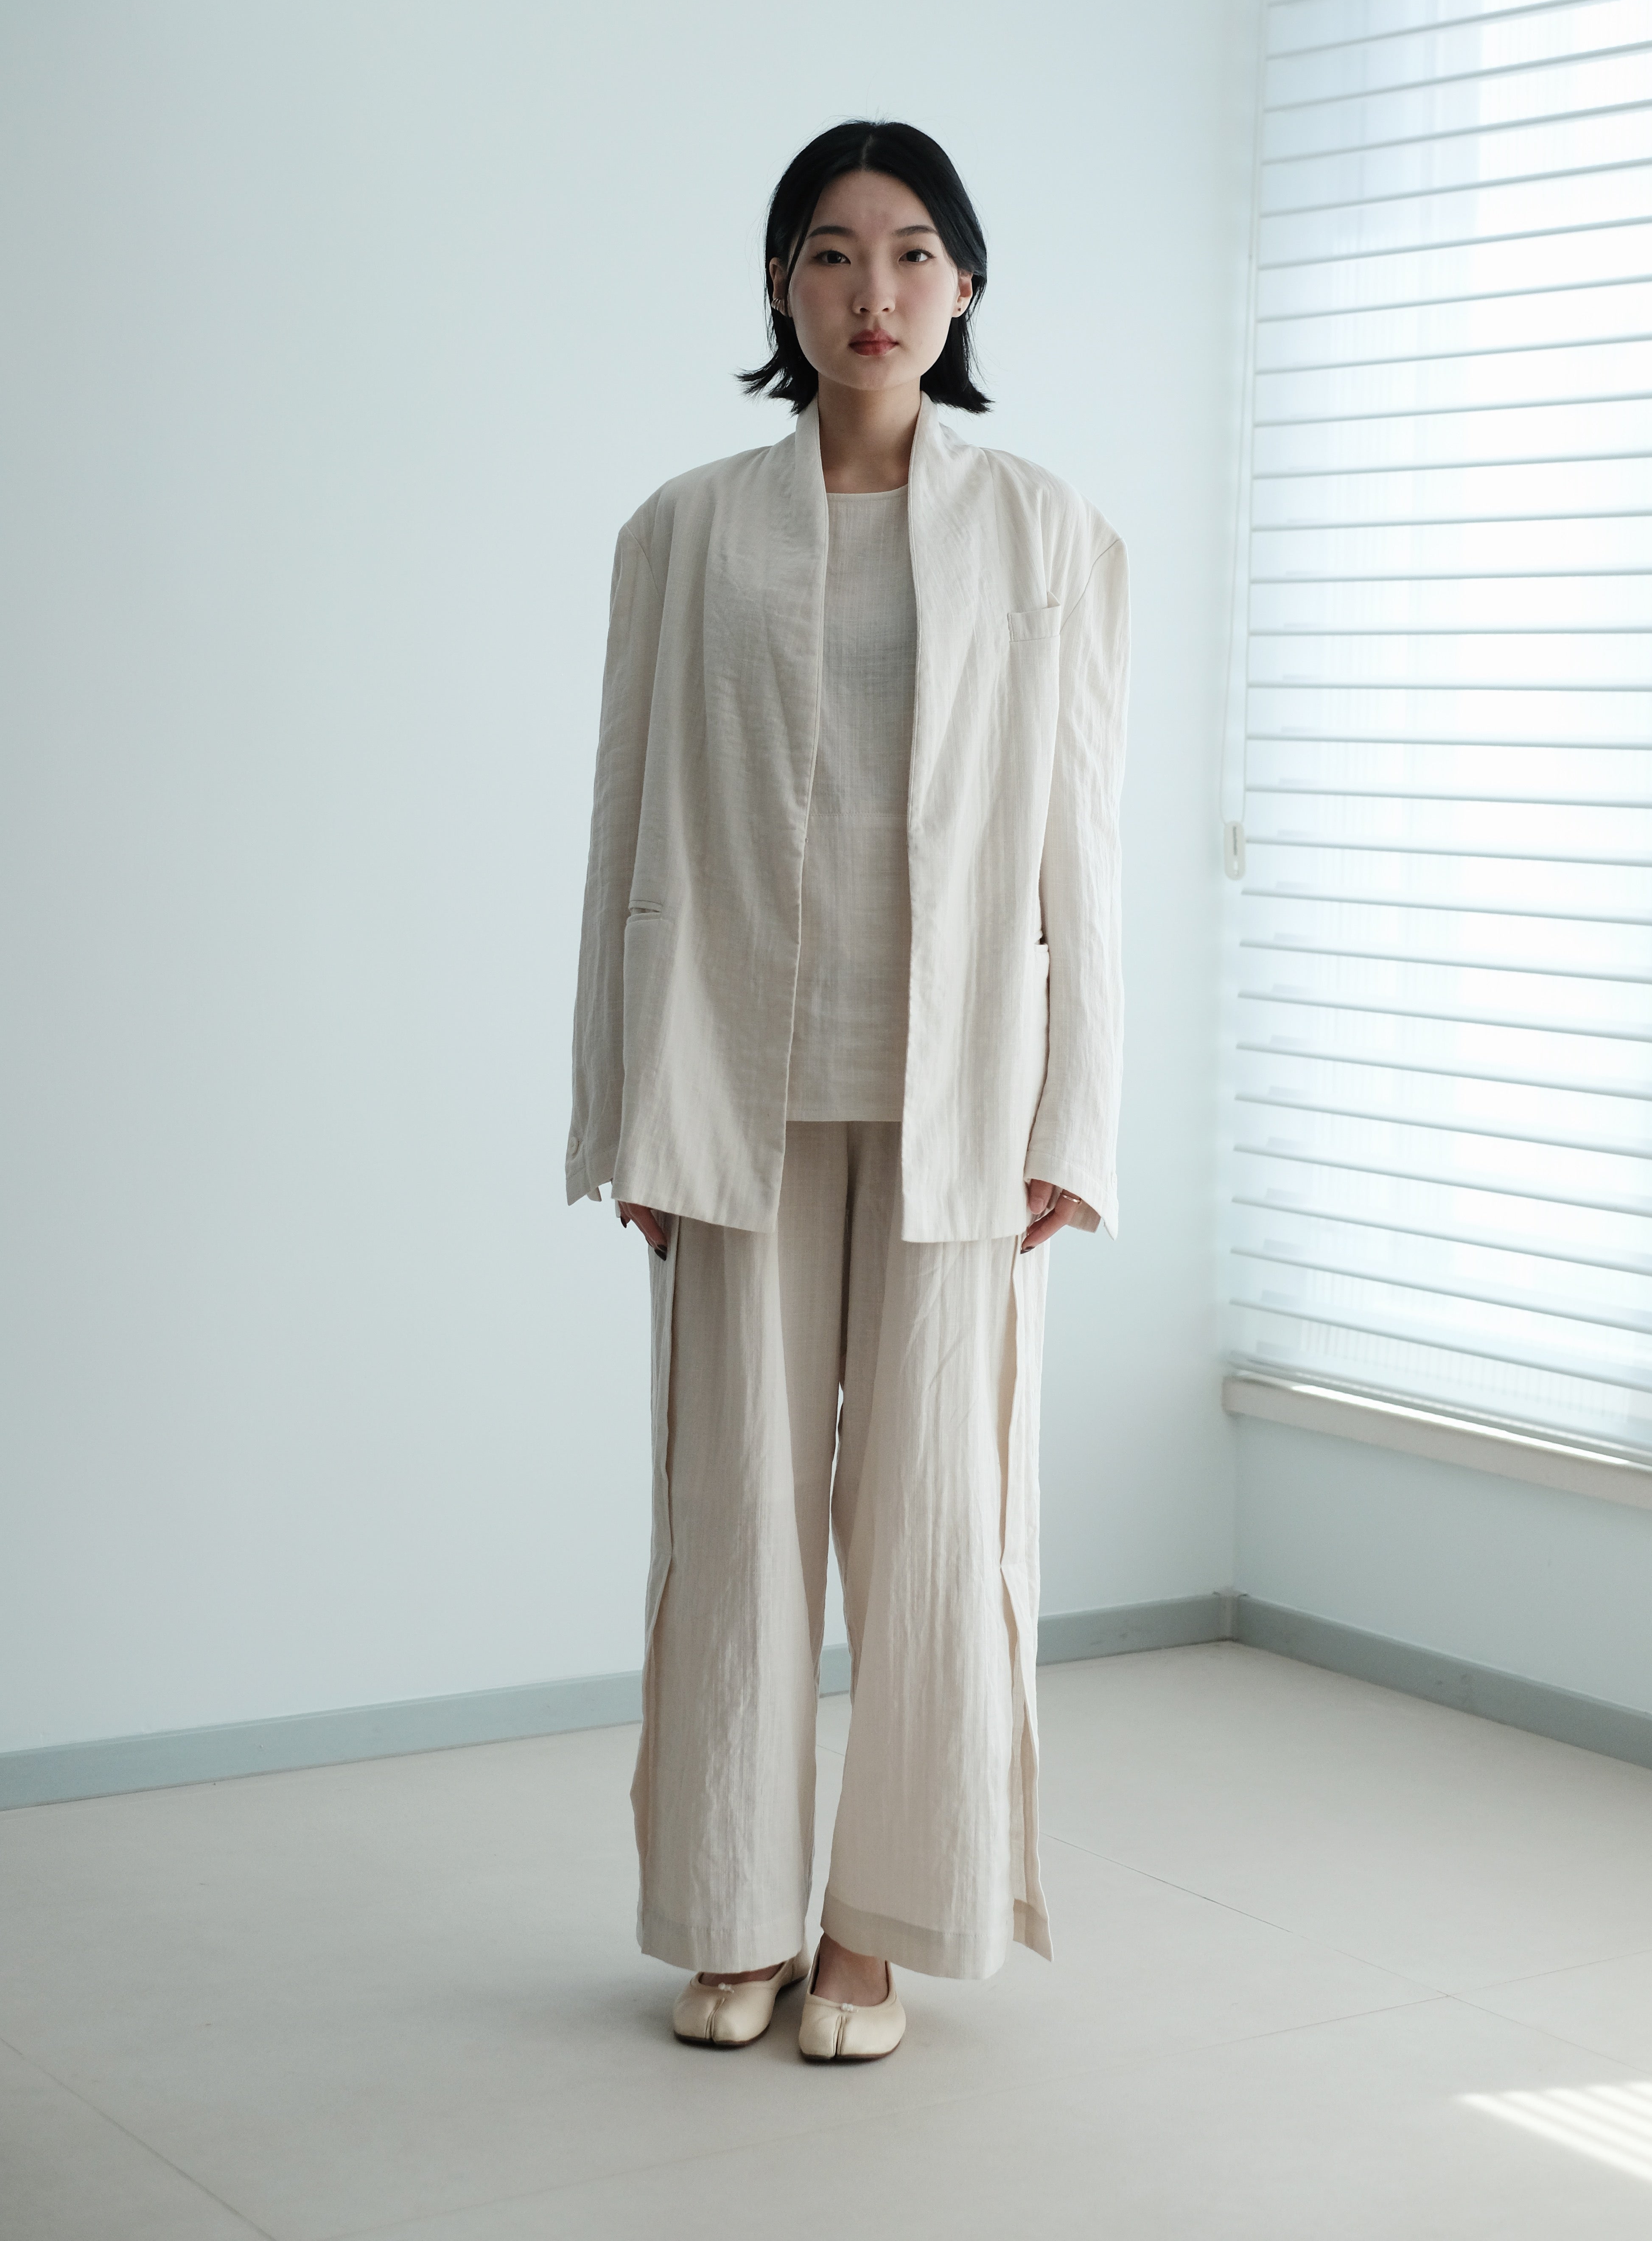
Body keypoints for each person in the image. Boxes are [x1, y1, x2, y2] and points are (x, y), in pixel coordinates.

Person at [567, 120, 1128, 2062]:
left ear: (963, 285)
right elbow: (626, 828)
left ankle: (874, 1927)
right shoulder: (685, 530)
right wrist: (619, 1111)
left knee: (934, 1526)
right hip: (729, 1082)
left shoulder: (1045, 532)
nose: (868, 292)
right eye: (826, 252)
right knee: (730, 1518)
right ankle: (732, 1915)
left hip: (962, 1097)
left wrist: (1077, 1121)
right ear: (779, 287)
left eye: (906, 254)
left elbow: (1083, 843)